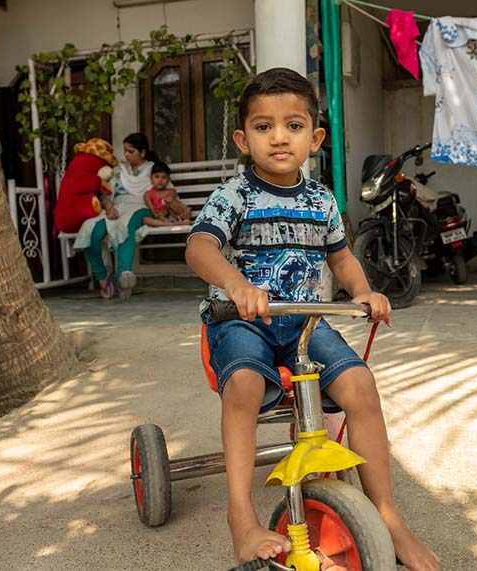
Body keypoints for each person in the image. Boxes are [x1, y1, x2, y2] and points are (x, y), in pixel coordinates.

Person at [185, 68, 440, 570]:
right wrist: (236, 284)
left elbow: (341, 258)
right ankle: (241, 518)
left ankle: (387, 514)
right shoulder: (233, 195)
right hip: (240, 320)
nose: (279, 137)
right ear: (243, 138)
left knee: (360, 386)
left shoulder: (320, 200)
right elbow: (199, 246)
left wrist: (364, 290)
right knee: (243, 388)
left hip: (303, 322)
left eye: (293, 125)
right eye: (263, 127)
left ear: (315, 137)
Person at [73, 132, 157, 301]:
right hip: (116, 206)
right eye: (125, 151)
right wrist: (108, 205)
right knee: (89, 230)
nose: (126, 155)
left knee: (126, 225)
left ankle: (123, 275)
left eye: (130, 151)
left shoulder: (154, 170)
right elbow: (105, 193)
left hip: (141, 206)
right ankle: (103, 278)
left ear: (142, 152)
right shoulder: (118, 171)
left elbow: (166, 194)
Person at [142, 161, 191, 228]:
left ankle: (184, 218)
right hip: (159, 219)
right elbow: (152, 209)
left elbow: (170, 207)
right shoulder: (148, 194)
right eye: (157, 177)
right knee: (145, 220)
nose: (160, 180)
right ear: (151, 178)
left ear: (168, 180)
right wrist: (157, 214)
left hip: (173, 216)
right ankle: (174, 224)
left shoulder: (171, 191)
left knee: (169, 199)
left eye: (164, 177)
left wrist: (164, 211)